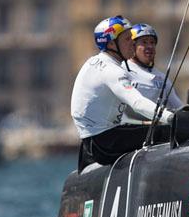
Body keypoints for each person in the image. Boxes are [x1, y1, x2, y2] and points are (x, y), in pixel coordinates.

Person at [71, 15, 174, 169]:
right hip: (104, 145)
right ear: (112, 43)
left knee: (158, 130)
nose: (133, 43)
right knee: (170, 132)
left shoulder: (93, 62)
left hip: (92, 144)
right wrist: (171, 117)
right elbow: (137, 103)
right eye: (127, 39)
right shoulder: (112, 71)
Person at [128, 23, 184, 111]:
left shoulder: (162, 78)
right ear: (132, 46)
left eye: (152, 42)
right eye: (144, 42)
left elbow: (179, 107)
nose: (150, 46)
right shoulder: (122, 70)